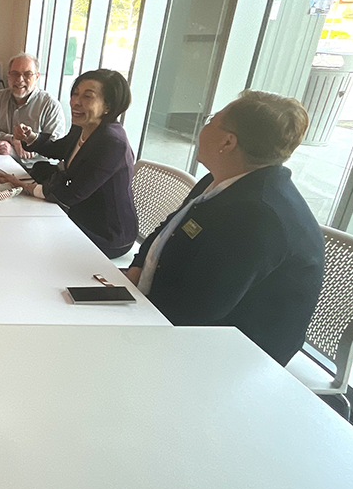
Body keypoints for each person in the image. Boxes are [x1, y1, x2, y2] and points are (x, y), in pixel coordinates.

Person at [126, 91, 323, 365]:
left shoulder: (258, 214)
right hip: (179, 320)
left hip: (230, 357)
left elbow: (199, 308)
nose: (202, 129)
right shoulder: (220, 180)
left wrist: (128, 319)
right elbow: (168, 230)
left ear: (227, 141)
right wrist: (134, 273)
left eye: (211, 121)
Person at [0, 69, 137, 258]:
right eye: (75, 93)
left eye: (87, 96)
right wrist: (31, 137)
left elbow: (71, 194)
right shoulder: (83, 127)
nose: (75, 102)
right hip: (78, 215)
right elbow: (58, 149)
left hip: (106, 233)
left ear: (108, 106)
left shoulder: (112, 142)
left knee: (25, 244)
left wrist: (23, 186)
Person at [0, 53, 64, 159]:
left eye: (27, 74)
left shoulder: (50, 106)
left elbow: (54, 149)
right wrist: (13, 140)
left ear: (37, 76)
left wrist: (12, 150)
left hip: (32, 170)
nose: (20, 79)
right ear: (8, 75)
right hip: (0, 161)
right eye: (15, 73)